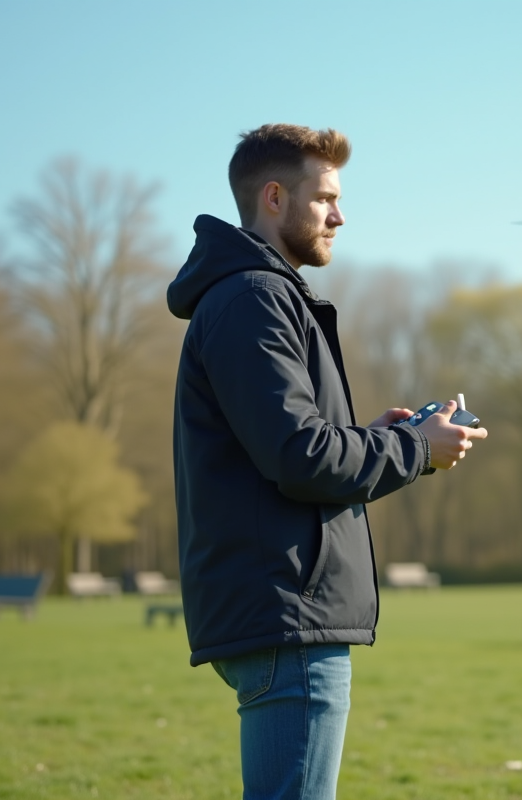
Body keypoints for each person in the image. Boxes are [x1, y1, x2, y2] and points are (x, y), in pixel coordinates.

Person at [166, 123, 488, 800]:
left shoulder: (257, 295)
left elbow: (291, 447)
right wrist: (417, 449)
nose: (340, 215)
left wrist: (372, 436)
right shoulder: (255, 297)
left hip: (285, 608)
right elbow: (301, 456)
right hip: (292, 614)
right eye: (326, 199)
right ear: (275, 198)